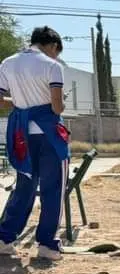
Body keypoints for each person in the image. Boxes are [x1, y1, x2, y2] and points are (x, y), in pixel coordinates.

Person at [0, 27, 69, 260]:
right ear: (51, 45)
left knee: (24, 186)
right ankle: (47, 244)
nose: (56, 56)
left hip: (22, 134)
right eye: (56, 51)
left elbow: (0, 99)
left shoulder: (8, 63)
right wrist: (57, 104)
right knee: (53, 189)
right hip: (48, 134)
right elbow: (57, 107)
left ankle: (4, 237)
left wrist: (21, 103)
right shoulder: (52, 66)